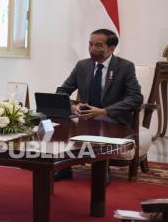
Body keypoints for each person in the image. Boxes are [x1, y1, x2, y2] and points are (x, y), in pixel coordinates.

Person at [55, 29, 143, 180]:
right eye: (90, 44)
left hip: (111, 117)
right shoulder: (82, 65)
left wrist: (104, 111)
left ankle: (102, 170)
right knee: (57, 119)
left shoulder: (125, 67)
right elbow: (62, 91)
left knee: (100, 122)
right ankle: (64, 166)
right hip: (84, 115)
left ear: (111, 48)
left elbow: (136, 98)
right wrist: (72, 107)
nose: (92, 49)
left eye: (98, 45)